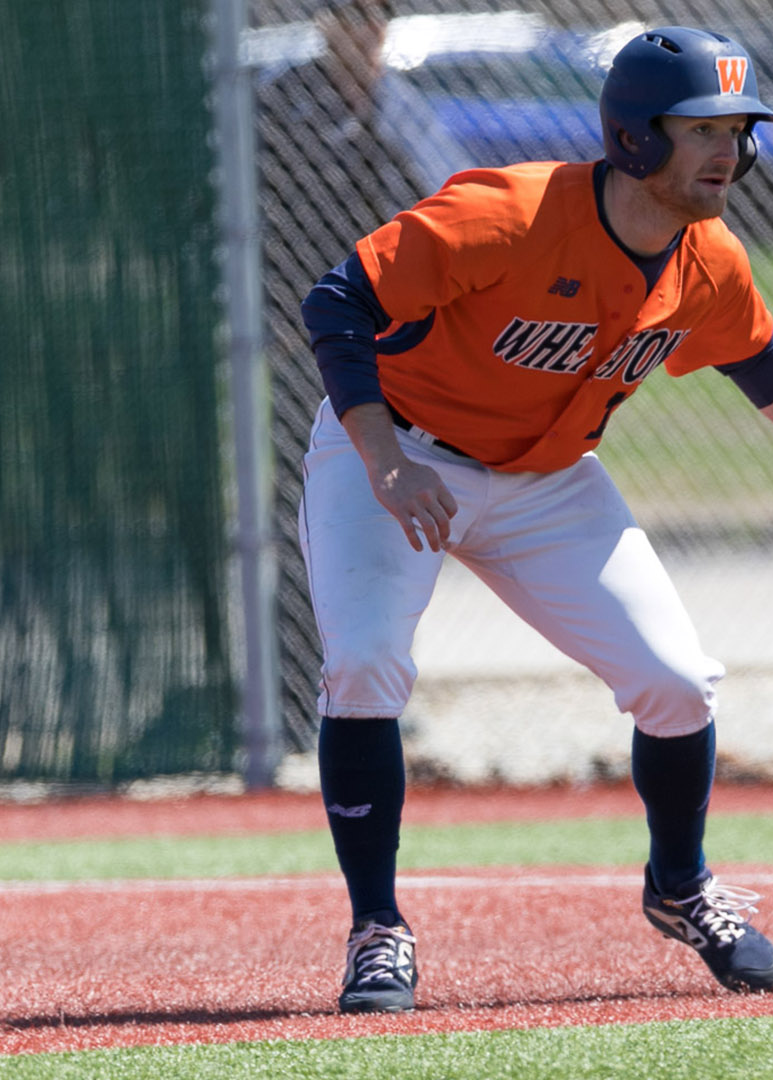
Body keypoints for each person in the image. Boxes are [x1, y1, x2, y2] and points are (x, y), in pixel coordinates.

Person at [297, 26, 773, 1014]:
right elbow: (338, 302)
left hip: (548, 479)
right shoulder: (505, 213)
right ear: (637, 138)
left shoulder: (707, 257)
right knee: (367, 662)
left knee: (677, 682)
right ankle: (377, 927)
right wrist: (382, 461)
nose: (731, 152)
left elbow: (760, 360)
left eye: (740, 129)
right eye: (704, 131)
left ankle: (680, 888)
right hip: (400, 449)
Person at [256, 0, 471, 751]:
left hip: (398, 356)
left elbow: (449, 206)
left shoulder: (401, 105)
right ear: (323, 24)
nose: (363, 31)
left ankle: (370, 695)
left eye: (375, 15)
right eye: (348, 15)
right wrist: (283, 318)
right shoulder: (284, 107)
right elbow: (258, 221)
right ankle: (290, 701)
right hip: (310, 351)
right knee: (307, 522)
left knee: (392, 529)